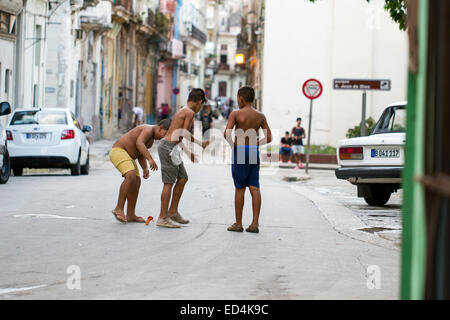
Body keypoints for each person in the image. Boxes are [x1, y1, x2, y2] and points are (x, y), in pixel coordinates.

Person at [156, 88, 209, 228]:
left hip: (172, 148)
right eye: (201, 105)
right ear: (199, 102)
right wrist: (196, 147)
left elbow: (178, 135)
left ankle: (172, 211)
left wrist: (192, 149)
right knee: (168, 183)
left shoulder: (182, 110)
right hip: (168, 148)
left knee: (183, 178)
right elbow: (184, 132)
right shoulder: (189, 112)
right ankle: (162, 217)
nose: (200, 108)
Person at [224, 86, 272, 234]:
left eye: (238, 98)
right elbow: (269, 138)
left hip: (240, 151)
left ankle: (238, 223)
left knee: (240, 187)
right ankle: (255, 223)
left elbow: (227, 133)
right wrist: (255, 144)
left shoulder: (236, 113)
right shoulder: (260, 116)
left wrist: (234, 146)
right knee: (254, 186)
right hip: (253, 151)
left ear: (241, 99)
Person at [110, 119, 172, 224]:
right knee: (130, 175)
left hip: (129, 156)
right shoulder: (147, 129)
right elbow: (139, 143)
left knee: (137, 180)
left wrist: (145, 168)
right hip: (118, 151)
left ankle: (130, 214)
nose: (162, 138)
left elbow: (140, 153)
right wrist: (151, 159)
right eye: (164, 134)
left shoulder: (151, 140)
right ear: (160, 128)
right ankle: (118, 208)